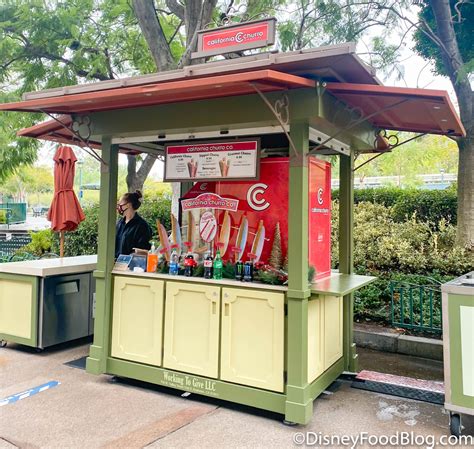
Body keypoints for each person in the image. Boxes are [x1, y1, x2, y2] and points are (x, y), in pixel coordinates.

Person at [115, 190, 152, 258]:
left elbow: (143, 250)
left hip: (132, 266)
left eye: (120, 203)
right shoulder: (120, 223)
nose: (118, 206)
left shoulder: (142, 226)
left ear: (128, 205)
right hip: (116, 264)